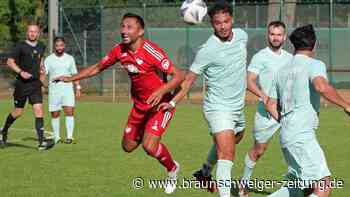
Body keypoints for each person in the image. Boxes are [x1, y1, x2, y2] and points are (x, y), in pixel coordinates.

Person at [54, 13, 185, 194]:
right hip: (139, 107)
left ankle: (172, 169)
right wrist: (72, 78)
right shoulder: (119, 50)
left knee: (149, 146)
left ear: (140, 31)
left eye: (129, 27)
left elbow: (179, 75)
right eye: (122, 26)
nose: (124, 30)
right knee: (128, 147)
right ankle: (149, 135)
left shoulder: (152, 51)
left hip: (160, 106)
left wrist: (161, 91)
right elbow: (98, 67)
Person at [159, 2, 247, 196]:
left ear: (232, 20)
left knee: (238, 137)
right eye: (217, 23)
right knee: (227, 154)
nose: (223, 26)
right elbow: (189, 80)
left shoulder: (242, 36)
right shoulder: (207, 50)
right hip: (217, 108)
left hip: (237, 107)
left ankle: (204, 172)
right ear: (211, 24)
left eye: (226, 21)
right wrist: (173, 101)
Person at [266, 24, 350, 197]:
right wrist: (346, 105)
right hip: (301, 135)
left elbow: (270, 104)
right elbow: (321, 86)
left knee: (299, 187)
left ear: (293, 45)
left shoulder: (281, 70)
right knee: (323, 185)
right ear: (314, 44)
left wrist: (286, 122)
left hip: (287, 135)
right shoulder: (315, 64)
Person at [239, 21, 293, 196]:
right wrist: (264, 97)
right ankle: (243, 184)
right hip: (266, 113)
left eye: (279, 34)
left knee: (295, 147)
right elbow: (249, 80)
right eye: (272, 34)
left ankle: (299, 186)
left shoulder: (290, 58)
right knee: (259, 150)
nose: (275, 37)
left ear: (284, 37)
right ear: (267, 35)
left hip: (287, 111)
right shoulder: (260, 57)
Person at [0, 24, 54, 150]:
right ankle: (4, 130)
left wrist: (42, 78)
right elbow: (9, 62)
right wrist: (20, 72)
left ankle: (41, 143)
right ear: (27, 33)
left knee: (39, 109)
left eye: (35, 32)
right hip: (21, 85)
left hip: (35, 84)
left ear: (38, 33)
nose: (32, 34)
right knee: (18, 112)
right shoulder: (20, 46)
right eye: (30, 31)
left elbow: (40, 63)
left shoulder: (41, 46)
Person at [44, 36, 81, 144]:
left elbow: (75, 74)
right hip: (54, 91)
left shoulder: (70, 58)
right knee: (55, 114)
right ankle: (57, 137)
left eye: (61, 45)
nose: (59, 47)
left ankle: (69, 137)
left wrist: (77, 87)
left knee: (69, 112)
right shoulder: (48, 59)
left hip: (68, 90)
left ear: (64, 46)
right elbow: (43, 73)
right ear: (54, 46)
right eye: (57, 45)